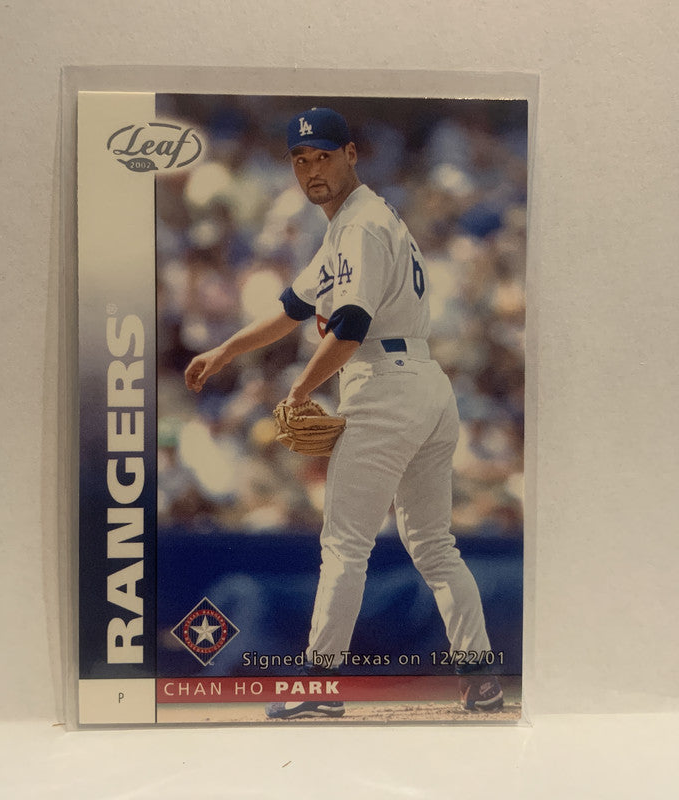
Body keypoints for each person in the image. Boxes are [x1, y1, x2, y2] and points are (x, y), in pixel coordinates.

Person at [184, 107, 503, 718]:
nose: (312, 169)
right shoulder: (355, 225)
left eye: (324, 156)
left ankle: (319, 685)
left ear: (351, 154)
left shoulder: (360, 226)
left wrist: (300, 391)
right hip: (425, 385)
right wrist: (225, 350)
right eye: (301, 160)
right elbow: (293, 307)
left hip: (385, 383)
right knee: (434, 545)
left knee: (345, 544)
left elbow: (350, 325)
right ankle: (481, 675)